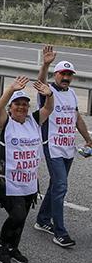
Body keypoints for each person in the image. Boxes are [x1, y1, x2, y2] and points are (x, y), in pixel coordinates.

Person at [0, 76, 54, 263]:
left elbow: (48, 109)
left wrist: (49, 94)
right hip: (6, 182)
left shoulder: (33, 120)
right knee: (17, 215)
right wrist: (10, 89)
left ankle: (13, 247)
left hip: (28, 182)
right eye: (17, 104)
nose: (21, 107)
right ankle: (1, 245)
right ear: (11, 108)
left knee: (23, 217)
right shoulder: (5, 123)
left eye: (25, 104)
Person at [34, 47, 92, 247]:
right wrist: (46, 64)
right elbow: (40, 83)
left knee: (56, 185)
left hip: (69, 148)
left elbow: (77, 118)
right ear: (56, 75)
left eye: (69, 74)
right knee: (61, 187)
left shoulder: (73, 94)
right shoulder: (48, 92)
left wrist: (88, 138)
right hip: (52, 147)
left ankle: (42, 220)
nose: (66, 77)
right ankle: (60, 232)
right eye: (63, 74)